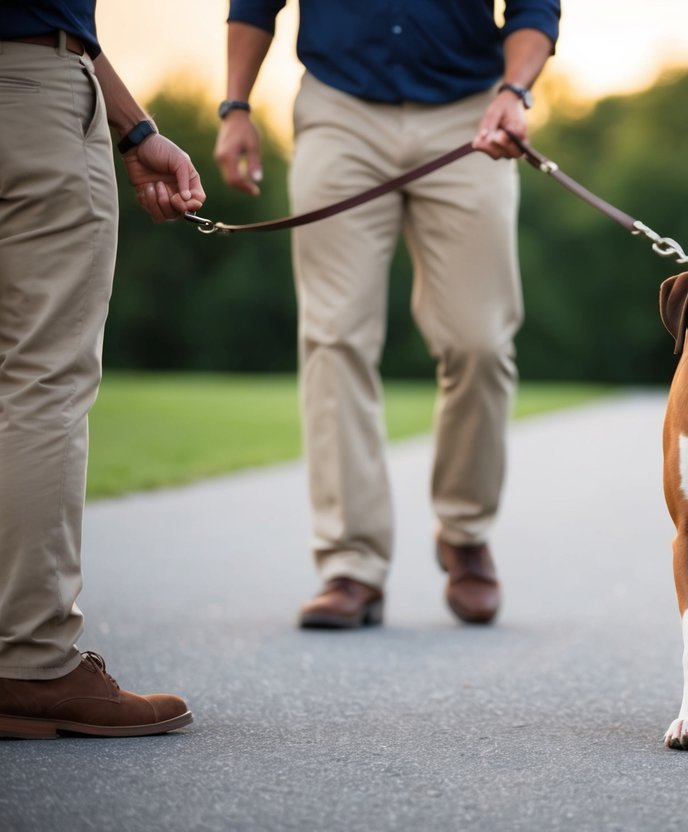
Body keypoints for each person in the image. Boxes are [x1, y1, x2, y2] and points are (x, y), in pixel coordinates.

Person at [214, 2, 560, 628]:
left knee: (479, 341)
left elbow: (537, 6)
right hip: (339, 110)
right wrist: (236, 105)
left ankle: (464, 530)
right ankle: (351, 564)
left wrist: (515, 91)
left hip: (470, 112)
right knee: (334, 337)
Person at [0, 2, 206, 738]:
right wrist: (136, 130)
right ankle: (31, 661)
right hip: (27, 88)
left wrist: (138, 129)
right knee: (41, 379)